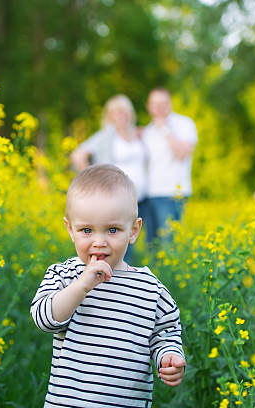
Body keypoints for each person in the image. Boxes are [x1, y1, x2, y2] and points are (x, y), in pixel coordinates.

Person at [31, 164, 186, 407]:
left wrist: (168, 356)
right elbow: (44, 320)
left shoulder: (150, 289)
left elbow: (166, 333)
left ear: (133, 231)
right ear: (70, 230)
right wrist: (82, 285)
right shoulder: (64, 275)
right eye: (86, 230)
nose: (99, 242)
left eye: (112, 230)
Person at [70, 94, 147, 261]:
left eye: (124, 111)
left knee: (136, 239)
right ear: (110, 116)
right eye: (116, 112)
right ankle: (116, 280)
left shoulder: (137, 134)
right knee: (120, 241)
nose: (121, 116)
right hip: (116, 197)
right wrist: (94, 181)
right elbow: (78, 155)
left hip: (142, 197)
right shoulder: (105, 135)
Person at [141, 87, 197, 243]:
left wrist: (165, 129)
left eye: (163, 103)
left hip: (172, 193)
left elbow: (182, 153)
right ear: (148, 106)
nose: (159, 108)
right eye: (155, 104)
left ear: (170, 104)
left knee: (168, 245)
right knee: (151, 246)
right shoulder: (147, 131)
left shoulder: (184, 124)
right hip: (150, 194)